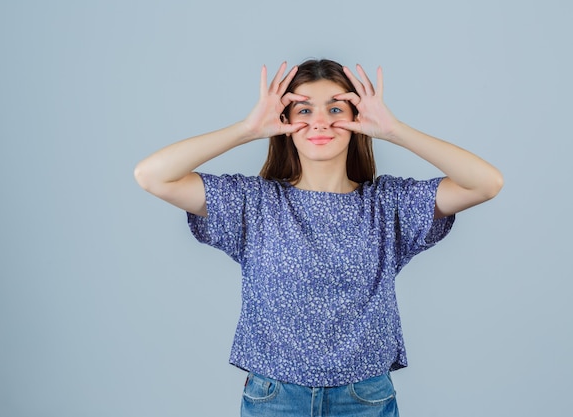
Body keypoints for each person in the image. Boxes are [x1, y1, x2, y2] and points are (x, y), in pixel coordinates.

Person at [134, 59, 503, 417]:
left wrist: (396, 130)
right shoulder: (255, 202)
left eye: (336, 109)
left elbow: (486, 183)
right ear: (285, 122)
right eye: (305, 111)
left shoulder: (388, 204)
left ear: (357, 120)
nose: (321, 122)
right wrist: (245, 129)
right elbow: (152, 175)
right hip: (274, 396)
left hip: (364, 396)